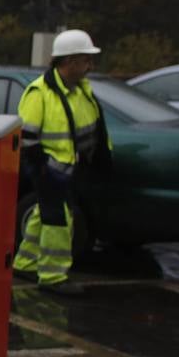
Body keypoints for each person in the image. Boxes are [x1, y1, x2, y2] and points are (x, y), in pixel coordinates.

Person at [11, 29, 111, 298]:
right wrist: (44, 169)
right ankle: (53, 276)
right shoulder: (39, 93)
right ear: (68, 62)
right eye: (85, 60)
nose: (90, 66)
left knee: (41, 216)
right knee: (59, 221)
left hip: (69, 169)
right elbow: (27, 138)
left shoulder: (81, 92)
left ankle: (25, 263)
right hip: (48, 169)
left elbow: (91, 130)